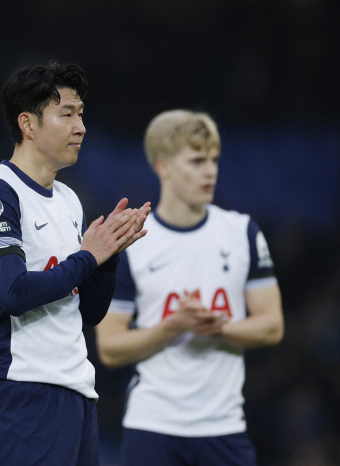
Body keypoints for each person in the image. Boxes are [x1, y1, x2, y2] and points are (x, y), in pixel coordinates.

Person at [0, 61, 152, 466]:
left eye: (81, 115)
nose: (80, 127)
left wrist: (108, 258)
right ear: (28, 124)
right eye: (67, 114)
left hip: (76, 390)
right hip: (21, 391)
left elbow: (87, 312)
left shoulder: (68, 200)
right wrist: (88, 256)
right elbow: (13, 293)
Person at [95, 110, 284, 466]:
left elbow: (272, 326)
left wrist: (220, 327)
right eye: (197, 160)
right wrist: (174, 326)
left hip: (224, 424)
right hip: (151, 427)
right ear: (163, 167)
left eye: (213, 159)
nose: (210, 170)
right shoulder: (133, 241)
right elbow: (110, 348)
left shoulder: (243, 232)